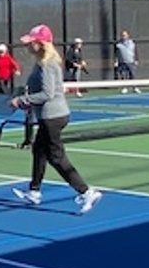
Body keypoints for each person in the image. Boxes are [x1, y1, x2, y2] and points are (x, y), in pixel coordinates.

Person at [9, 24, 102, 214]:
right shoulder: (41, 62)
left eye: (31, 42)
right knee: (39, 150)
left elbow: (47, 93)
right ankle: (34, 191)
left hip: (54, 116)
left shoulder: (48, 64)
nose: (27, 45)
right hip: (47, 115)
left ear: (40, 43)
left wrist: (22, 100)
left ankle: (87, 192)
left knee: (56, 158)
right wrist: (29, 103)